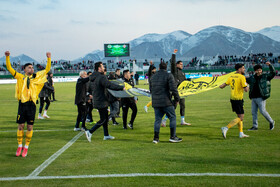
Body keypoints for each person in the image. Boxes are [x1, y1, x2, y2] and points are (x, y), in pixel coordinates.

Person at [5, 51, 51, 157]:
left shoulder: (36, 77)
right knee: (20, 126)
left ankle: (26, 147)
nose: (32, 69)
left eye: (32, 67)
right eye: (29, 67)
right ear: (25, 69)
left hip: (32, 105)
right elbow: (9, 68)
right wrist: (7, 57)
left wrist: (49, 58)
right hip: (22, 103)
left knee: (30, 127)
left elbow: (47, 69)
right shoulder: (20, 77)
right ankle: (19, 145)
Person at [85, 62, 124, 142]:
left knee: (105, 119)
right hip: (101, 101)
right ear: (99, 68)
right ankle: (90, 131)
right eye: (102, 66)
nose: (104, 68)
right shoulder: (101, 77)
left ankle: (106, 135)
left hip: (99, 99)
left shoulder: (95, 76)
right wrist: (121, 87)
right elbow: (109, 85)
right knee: (103, 119)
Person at [150, 62, 182, 143]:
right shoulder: (168, 75)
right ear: (166, 68)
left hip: (156, 102)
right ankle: (172, 136)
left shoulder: (153, 77)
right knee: (172, 117)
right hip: (166, 101)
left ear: (159, 68)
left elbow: (151, 90)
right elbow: (173, 88)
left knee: (157, 120)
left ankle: (156, 138)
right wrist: (177, 98)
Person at [220, 63, 249, 139]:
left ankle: (241, 133)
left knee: (238, 116)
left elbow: (223, 86)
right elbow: (246, 90)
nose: (244, 69)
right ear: (239, 69)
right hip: (238, 99)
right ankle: (226, 127)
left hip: (232, 98)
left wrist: (218, 85)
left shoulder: (231, 76)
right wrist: (248, 85)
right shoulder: (241, 77)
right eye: (243, 68)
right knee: (241, 117)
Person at [246, 62, 276, 130]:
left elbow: (273, 73)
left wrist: (270, 65)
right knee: (253, 113)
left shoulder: (266, 76)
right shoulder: (252, 77)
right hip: (253, 97)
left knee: (262, 111)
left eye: (260, 69)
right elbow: (244, 80)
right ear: (255, 71)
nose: (259, 71)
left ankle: (271, 121)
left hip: (261, 97)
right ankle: (255, 126)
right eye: (257, 70)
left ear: (261, 70)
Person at [168, 49, 191, 126]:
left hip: (182, 92)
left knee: (183, 105)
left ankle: (182, 121)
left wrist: (189, 81)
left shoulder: (183, 73)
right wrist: (173, 54)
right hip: (175, 92)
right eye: (180, 64)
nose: (182, 65)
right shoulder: (174, 71)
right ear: (177, 65)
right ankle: (164, 120)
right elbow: (172, 63)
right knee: (174, 106)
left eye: (182, 64)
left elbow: (184, 81)